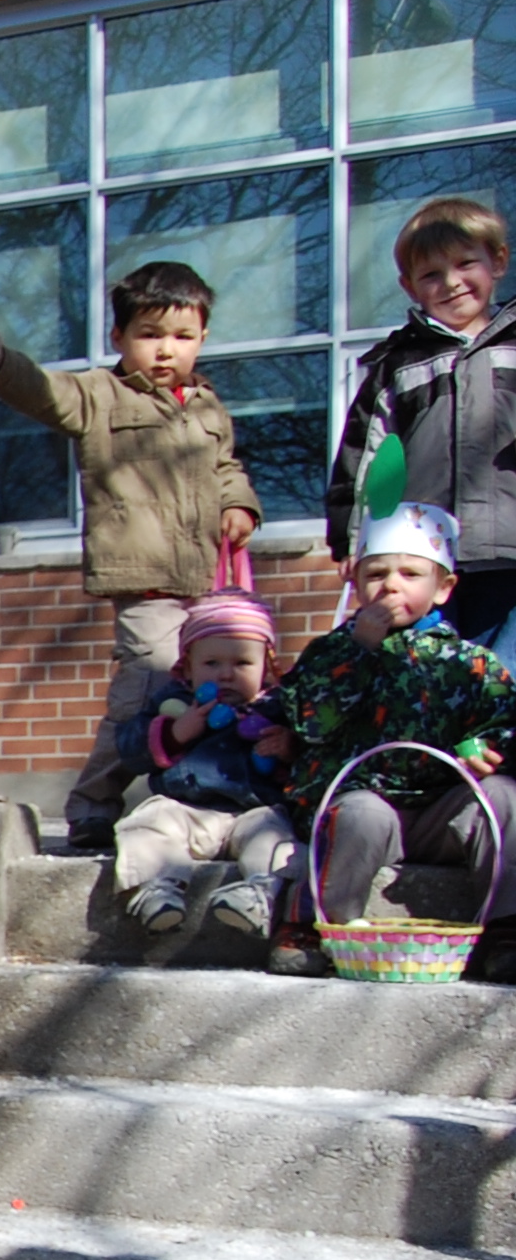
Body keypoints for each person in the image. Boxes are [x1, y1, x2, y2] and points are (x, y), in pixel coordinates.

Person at [0, 260, 262, 851]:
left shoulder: (207, 405)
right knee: (146, 693)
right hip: (145, 583)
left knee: (216, 691)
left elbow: (226, 467)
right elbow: (46, 393)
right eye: (149, 334)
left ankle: (205, 796)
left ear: (203, 338)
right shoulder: (102, 395)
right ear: (119, 336)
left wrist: (240, 505)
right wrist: (0, 362)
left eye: (182, 336)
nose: (166, 349)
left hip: (205, 583)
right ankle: (92, 806)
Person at [282, 501, 516, 954]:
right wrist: (357, 652)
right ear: (356, 582)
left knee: (504, 796)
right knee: (361, 814)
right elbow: (310, 721)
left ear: (443, 588)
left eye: (410, 574)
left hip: (441, 815)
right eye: (376, 574)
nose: (391, 585)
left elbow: (503, 719)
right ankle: (317, 927)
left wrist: (484, 744)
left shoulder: (470, 662)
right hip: (366, 809)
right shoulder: (330, 652)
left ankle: (507, 926)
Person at [327, 198, 515, 652]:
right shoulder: (399, 364)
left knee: (505, 676)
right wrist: (352, 539)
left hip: (510, 550)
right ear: (409, 286)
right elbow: (364, 458)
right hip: (424, 555)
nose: (451, 282)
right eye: (431, 274)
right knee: (427, 670)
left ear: (498, 262)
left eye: (465, 263)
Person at [108, 584, 296, 941]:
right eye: (212, 663)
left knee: (277, 835)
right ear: (189, 668)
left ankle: (258, 894)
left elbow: (312, 758)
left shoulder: (278, 707)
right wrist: (175, 733)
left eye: (242, 663)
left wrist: (289, 749)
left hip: (252, 813)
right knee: (148, 820)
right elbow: (129, 749)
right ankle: (157, 889)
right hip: (187, 811)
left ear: (267, 668)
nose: (226, 674)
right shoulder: (174, 702)